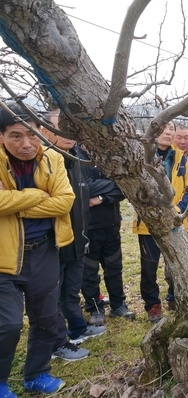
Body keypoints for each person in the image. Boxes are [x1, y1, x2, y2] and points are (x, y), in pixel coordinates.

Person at [0, 102, 75, 396]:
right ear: (2, 136)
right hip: (5, 256)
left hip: (44, 250)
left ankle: (37, 373)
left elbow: (64, 202)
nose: (27, 144)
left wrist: (14, 202)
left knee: (46, 317)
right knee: (7, 324)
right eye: (16, 136)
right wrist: (34, 194)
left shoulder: (53, 159)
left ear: (42, 131)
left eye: (32, 134)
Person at [40, 112, 104, 362]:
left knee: (71, 290)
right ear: (44, 131)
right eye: (60, 128)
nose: (68, 134)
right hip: (51, 242)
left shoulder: (76, 159)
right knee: (51, 296)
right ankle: (57, 342)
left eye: (71, 128)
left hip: (77, 239)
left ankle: (77, 327)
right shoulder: (43, 162)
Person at [133, 121, 188, 322]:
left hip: (174, 221)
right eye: (163, 128)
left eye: (171, 129)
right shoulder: (140, 155)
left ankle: (175, 297)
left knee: (176, 263)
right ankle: (153, 305)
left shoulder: (181, 158)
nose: (167, 132)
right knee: (149, 267)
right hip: (147, 222)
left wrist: (177, 210)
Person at [79, 146, 135, 325]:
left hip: (111, 223)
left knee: (114, 267)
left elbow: (124, 187)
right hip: (87, 226)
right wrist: (111, 184)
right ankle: (94, 308)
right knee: (89, 271)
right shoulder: (75, 157)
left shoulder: (108, 154)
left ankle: (118, 305)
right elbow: (82, 187)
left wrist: (101, 198)